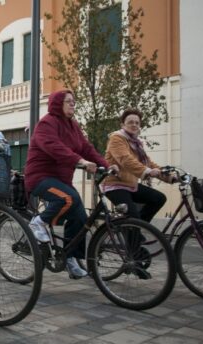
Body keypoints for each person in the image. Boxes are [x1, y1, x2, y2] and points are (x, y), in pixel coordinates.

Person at [24, 89, 115, 279]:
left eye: (74, 101)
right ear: (58, 103)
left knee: (80, 216)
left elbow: (87, 149)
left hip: (61, 180)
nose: (73, 104)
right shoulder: (46, 123)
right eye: (68, 101)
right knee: (68, 198)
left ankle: (70, 258)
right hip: (40, 177)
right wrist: (80, 161)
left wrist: (106, 166)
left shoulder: (73, 126)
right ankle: (38, 222)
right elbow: (54, 147)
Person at [102, 108, 171, 223]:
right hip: (115, 185)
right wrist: (148, 171)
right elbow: (126, 160)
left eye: (137, 123)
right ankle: (135, 230)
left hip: (131, 185)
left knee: (159, 199)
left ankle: (138, 228)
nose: (134, 125)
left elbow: (148, 163)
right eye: (130, 122)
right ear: (122, 124)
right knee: (133, 219)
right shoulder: (116, 138)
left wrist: (169, 176)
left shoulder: (136, 144)